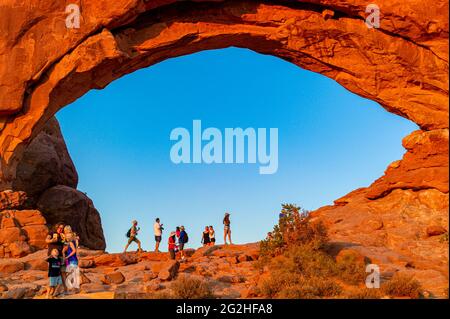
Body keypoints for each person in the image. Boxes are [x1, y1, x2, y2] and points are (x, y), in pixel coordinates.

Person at [45, 222, 68, 294]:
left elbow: (66, 244)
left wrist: (65, 252)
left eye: (62, 228)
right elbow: (46, 240)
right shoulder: (51, 233)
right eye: (59, 228)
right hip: (53, 257)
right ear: (56, 227)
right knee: (53, 273)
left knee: (63, 273)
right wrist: (51, 240)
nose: (61, 229)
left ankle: (65, 290)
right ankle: (51, 290)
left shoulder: (63, 236)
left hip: (61, 256)